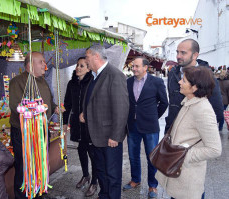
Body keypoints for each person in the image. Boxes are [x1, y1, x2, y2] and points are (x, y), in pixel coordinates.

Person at [156, 66, 222, 199]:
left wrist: (185, 156)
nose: (180, 82)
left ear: (195, 87)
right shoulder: (189, 102)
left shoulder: (203, 110)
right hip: (178, 172)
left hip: (187, 177)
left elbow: (215, 149)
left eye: (184, 80)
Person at [80, 45, 129, 199]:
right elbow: (96, 102)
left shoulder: (114, 75)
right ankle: (104, 196)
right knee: (101, 172)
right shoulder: (95, 76)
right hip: (96, 137)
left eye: (87, 57)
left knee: (112, 175)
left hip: (109, 137)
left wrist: (115, 135)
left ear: (95, 57)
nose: (85, 60)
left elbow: (121, 108)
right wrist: (84, 113)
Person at [9, 52, 59, 199]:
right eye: (41, 62)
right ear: (30, 65)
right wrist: (36, 110)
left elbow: (48, 101)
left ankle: (37, 192)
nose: (45, 65)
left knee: (39, 164)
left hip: (41, 130)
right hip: (24, 132)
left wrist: (55, 107)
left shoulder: (42, 81)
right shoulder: (17, 82)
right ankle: (22, 196)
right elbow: (16, 107)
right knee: (24, 166)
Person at [123, 57, 168, 199]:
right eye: (133, 66)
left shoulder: (157, 82)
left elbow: (164, 103)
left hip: (150, 126)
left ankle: (152, 186)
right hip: (132, 125)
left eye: (137, 66)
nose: (134, 69)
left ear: (145, 67)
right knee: (132, 155)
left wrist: (153, 116)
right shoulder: (128, 82)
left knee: (152, 157)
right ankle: (135, 179)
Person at [165, 39, 223, 133]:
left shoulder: (207, 76)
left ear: (195, 55)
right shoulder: (172, 74)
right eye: (177, 52)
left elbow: (217, 111)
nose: (178, 56)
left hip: (195, 135)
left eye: (183, 53)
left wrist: (197, 133)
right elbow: (172, 103)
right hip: (173, 131)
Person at [63, 57, 97, 197]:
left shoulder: (93, 83)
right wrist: (65, 123)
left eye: (82, 66)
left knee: (93, 152)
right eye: (77, 65)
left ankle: (94, 181)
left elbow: (97, 104)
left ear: (88, 68)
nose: (78, 68)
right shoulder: (72, 84)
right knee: (81, 149)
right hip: (76, 122)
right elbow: (67, 104)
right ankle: (85, 175)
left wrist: (88, 114)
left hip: (90, 124)